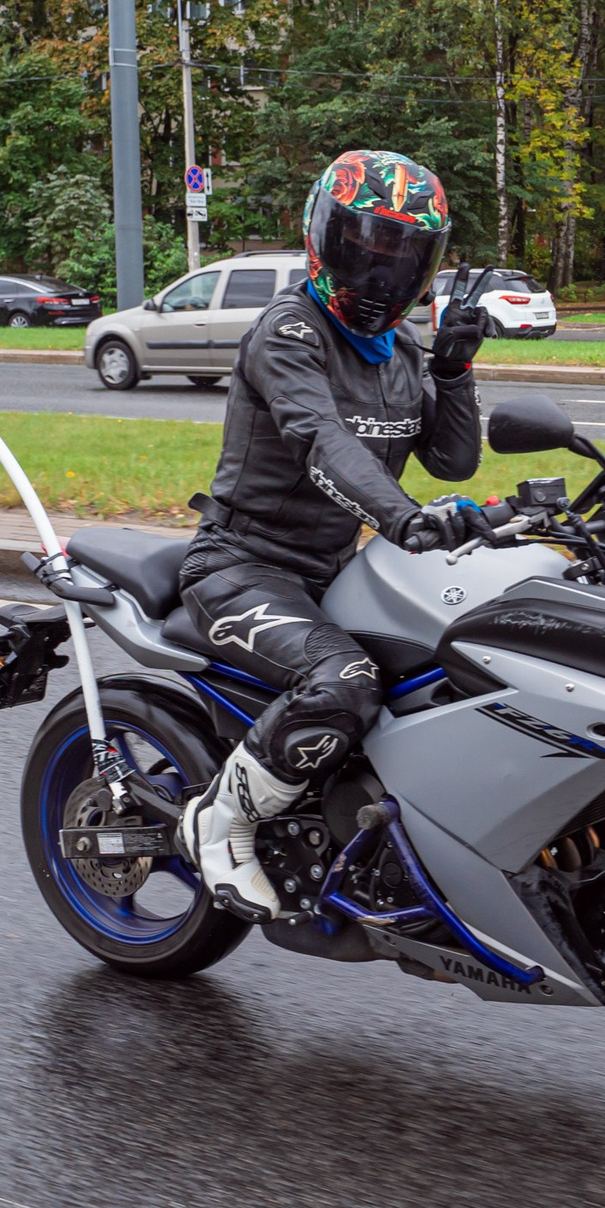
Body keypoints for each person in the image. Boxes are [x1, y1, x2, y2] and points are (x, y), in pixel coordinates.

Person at [175, 149, 493, 918]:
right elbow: (322, 440)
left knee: (462, 661)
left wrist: (454, 373)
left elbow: (451, 456)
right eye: (366, 247)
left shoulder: (403, 350)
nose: (382, 274)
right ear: (324, 238)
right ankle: (222, 822)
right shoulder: (289, 332)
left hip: (333, 573)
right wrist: (404, 517)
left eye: (404, 254)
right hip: (239, 567)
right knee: (347, 683)